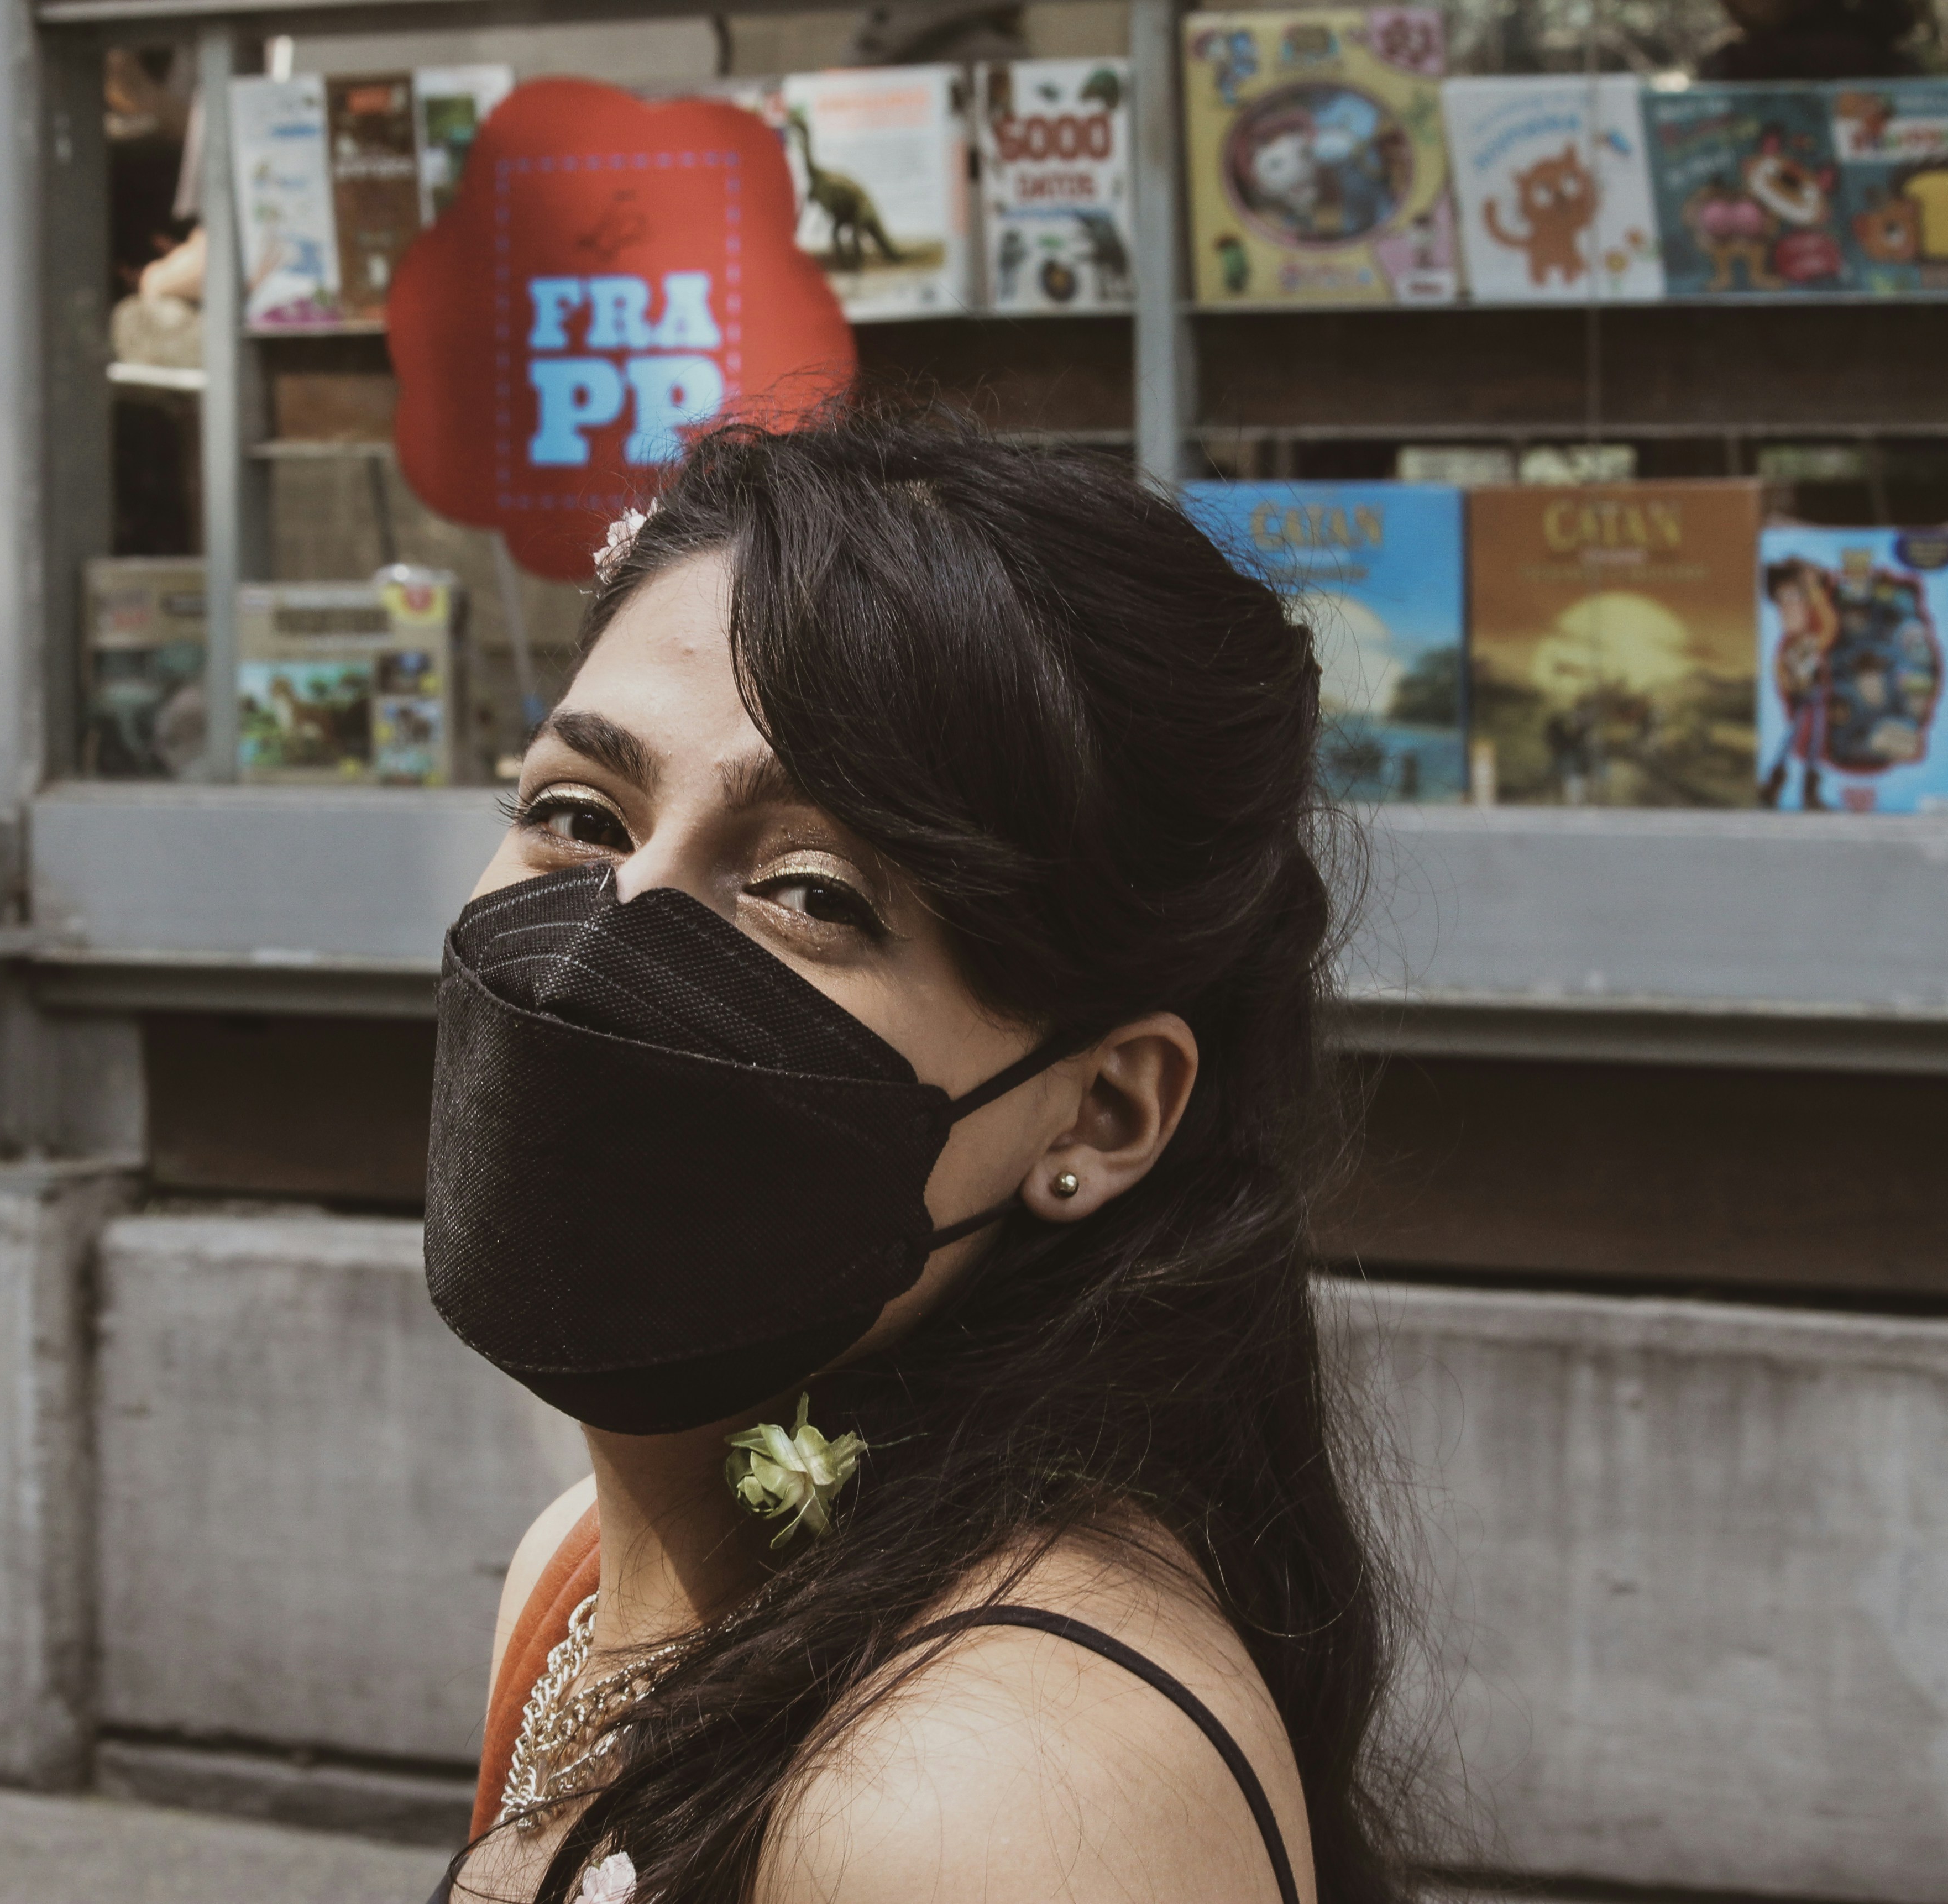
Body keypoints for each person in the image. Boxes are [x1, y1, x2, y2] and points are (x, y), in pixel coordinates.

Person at [423, 412, 1414, 1904]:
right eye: (577, 813)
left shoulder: (981, 1799)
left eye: (811, 891)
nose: (601, 943)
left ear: (1100, 1110)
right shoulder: (573, 1575)